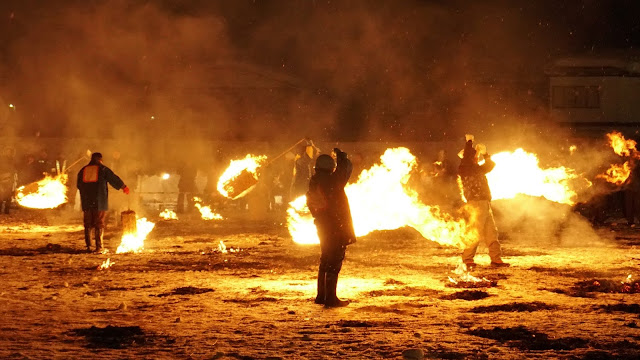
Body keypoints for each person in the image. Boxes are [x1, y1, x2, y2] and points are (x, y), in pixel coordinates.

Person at [306, 148, 356, 307]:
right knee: (334, 260)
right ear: (330, 168)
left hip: (322, 225)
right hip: (335, 225)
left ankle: (321, 295)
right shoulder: (331, 181)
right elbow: (345, 171)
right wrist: (343, 157)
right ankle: (331, 298)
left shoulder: (314, 181)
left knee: (326, 258)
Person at [458, 138, 509, 269]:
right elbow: (468, 157)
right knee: (474, 232)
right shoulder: (465, 168)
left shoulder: (477, 169)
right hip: (475, 204)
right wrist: (469, 142)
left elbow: (490, 165)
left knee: (491, 233)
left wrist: (486, 154)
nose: (476, 157)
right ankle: (467, 259)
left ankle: (496, 259)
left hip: (484, 203)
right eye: (474, 155)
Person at [77, 152, 129, 252]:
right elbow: (113, 178)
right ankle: (99, 247)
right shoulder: (103, 169)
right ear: (100, 160)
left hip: (86, 202)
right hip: (99, 201)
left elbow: (78, 185)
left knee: (88, 223)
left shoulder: (83, 170)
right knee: (99, 222)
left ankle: (88, 246)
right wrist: (124, 187)